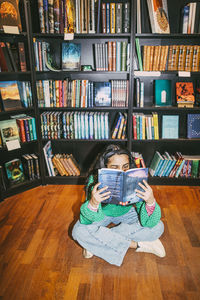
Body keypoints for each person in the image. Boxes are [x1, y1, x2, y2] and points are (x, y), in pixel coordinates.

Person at [72, 144, 165, 266]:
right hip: (101, 214)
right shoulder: (93, 181)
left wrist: (150, 201)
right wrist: (93, 203)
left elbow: (149, 222)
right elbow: (86, 220)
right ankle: (140, 244)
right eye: (114, 168)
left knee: (158, 226)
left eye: (125, 167)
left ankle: (97, 240)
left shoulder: (135, 178)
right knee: (78, 231)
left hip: (126, 213)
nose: (121, 172)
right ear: (105, 167)